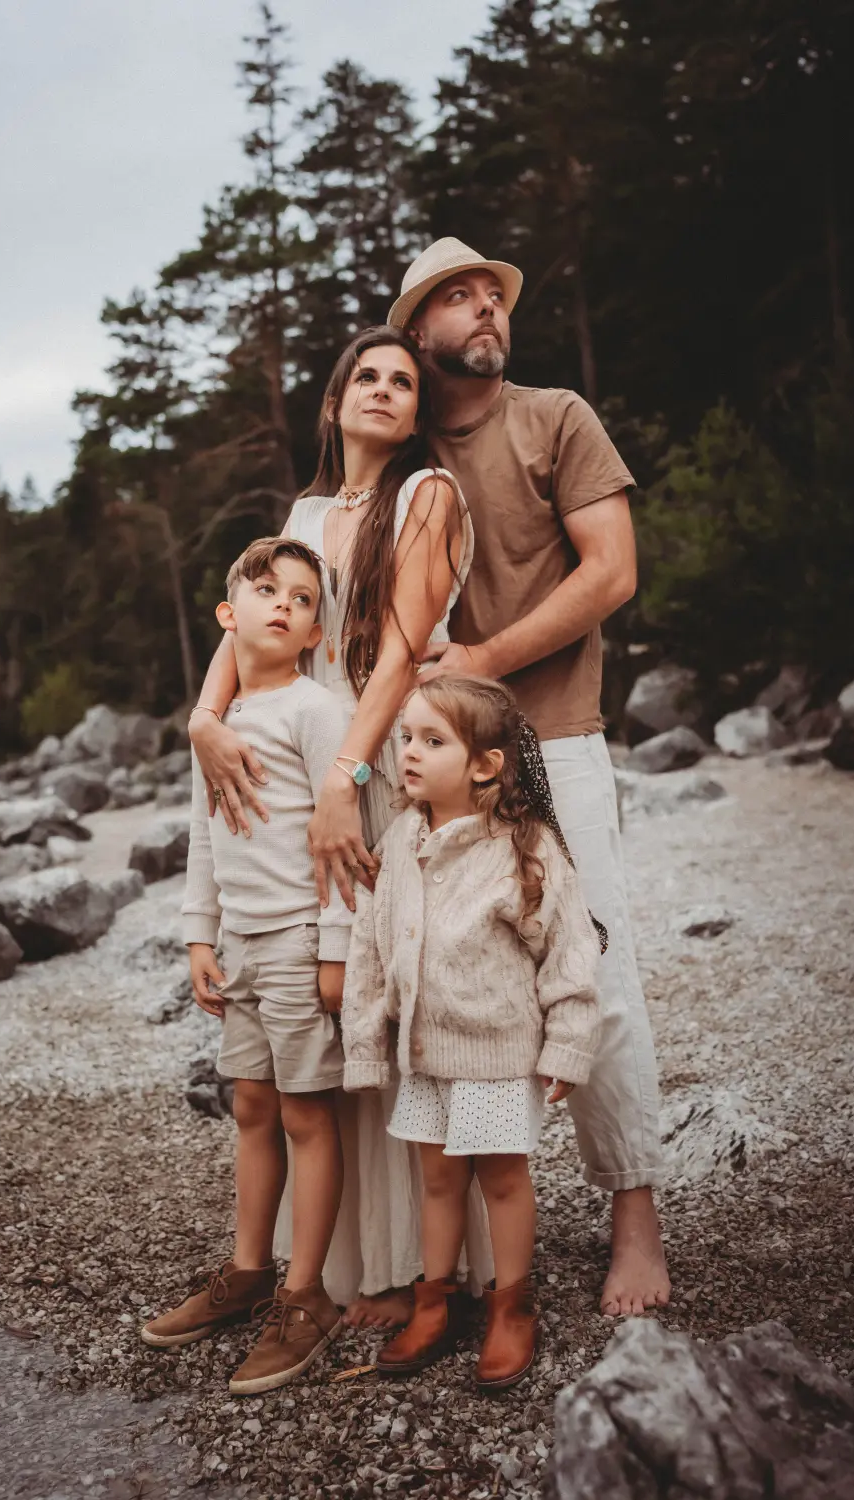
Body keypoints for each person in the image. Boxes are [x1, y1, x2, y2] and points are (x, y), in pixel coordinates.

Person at [388, 237, 671, 1317]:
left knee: (594, 973)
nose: (484, 311)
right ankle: (454, 1251)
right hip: (429, 766)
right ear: (420, 334)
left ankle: (632, 1222)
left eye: (490, 295)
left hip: (556, 737)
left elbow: (614, 570)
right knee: (441, 987)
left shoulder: (555, 418)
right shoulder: (402, 454)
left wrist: (480, 665)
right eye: (456, 299)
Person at [187, 325, 491, 1325]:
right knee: (332, 1018)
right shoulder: (307, 511)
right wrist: (201, 716)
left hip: (384, 757)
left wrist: (346, 775)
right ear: (335, 398)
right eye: (365, 375)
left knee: (391, 999)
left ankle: (423, 1263)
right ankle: (348, 1265)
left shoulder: (426, 495)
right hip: (311, 756)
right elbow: (251, 626)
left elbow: (401, 651)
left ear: (417, 409)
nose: (383, 390)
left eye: (403, 381)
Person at [342, 675, 602, 1390]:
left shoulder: (523, 845)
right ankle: (436, 1300)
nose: (411, 755)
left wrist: (568, 1044)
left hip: (496, 1053)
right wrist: (367, 1043)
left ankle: (511, 1306)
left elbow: (571, 953)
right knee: (438, 1180)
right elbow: (371, 945)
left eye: (433, 741)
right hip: (423, 1055)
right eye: (406, 740)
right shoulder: (400, 840)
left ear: (485, 763)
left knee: (504, 1180)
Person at [141, 537, 352, 1394]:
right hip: (240, 947)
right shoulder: (217, 725)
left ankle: (308, 1296)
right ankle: (247, 1269)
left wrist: (335, 945)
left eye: (302, 600)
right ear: (230, 617)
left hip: (300, 939)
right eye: (266, 591)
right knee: (252, 1108)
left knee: (307, 1115)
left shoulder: (317, 710)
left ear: (312, 631)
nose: (283, 605)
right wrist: (199, 937)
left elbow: (346, 842)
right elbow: (205, 834)